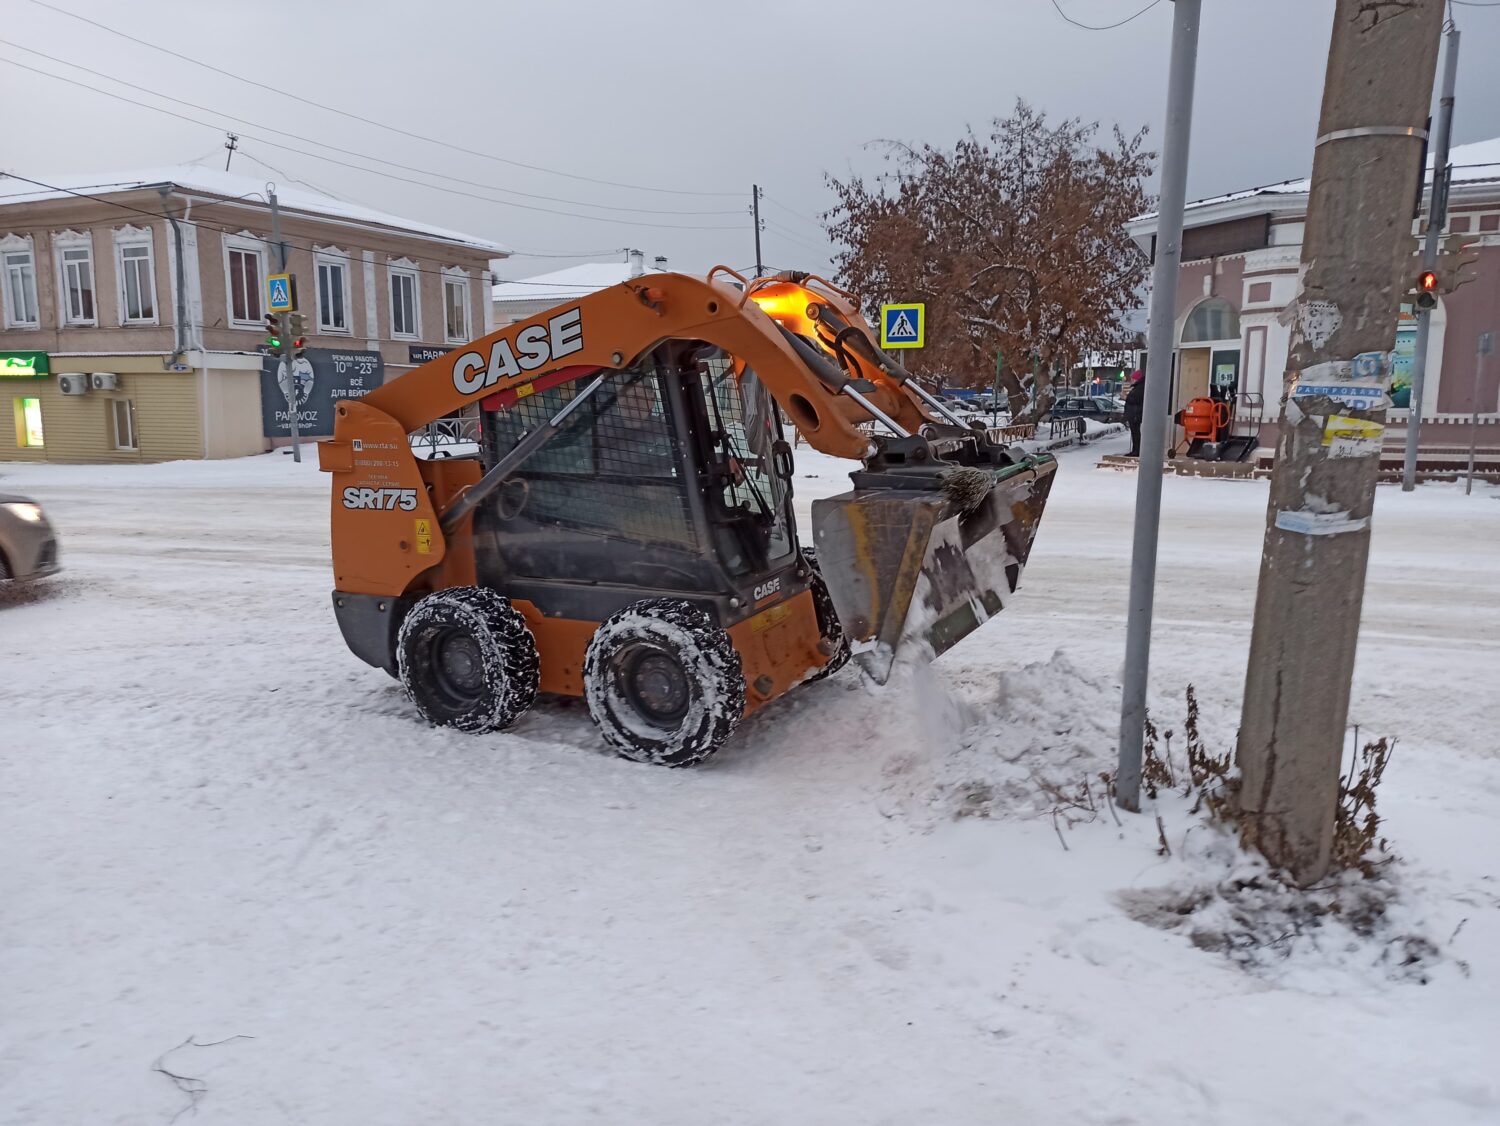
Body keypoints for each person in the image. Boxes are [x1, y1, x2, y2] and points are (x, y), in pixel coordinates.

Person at [1123, 369, 1145, 457]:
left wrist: (1126, 398)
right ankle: (1135, 450)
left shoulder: (1140, 388)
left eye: (1133, 378)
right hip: (1134, 414)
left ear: (1137, 379)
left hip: (1136, 414)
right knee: (1134, 433)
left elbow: (1136, 400)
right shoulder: (1138, 387)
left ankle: (1137, 451)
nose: (1132, 380)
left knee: (1136, 433)